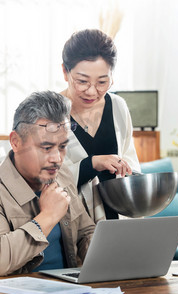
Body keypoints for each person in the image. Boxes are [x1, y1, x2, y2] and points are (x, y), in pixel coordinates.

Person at [0, 91, 96, 277]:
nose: (57, 159)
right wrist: (48, 216)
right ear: (15, 142)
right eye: (46, 147)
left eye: (62, 146)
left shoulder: (62, 175)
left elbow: (86, 231)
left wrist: (110, 258)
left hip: (67, 292)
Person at [60, 29, 140, 223]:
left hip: (118, 221)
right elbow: (43, 181)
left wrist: (128, 172)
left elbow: (130, 160)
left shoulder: (118, 106)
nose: (92, 91)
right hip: (70, 226)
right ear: (65, 72)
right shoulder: (50, 113)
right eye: (82, 81)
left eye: (102, 82)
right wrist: (92, 163)